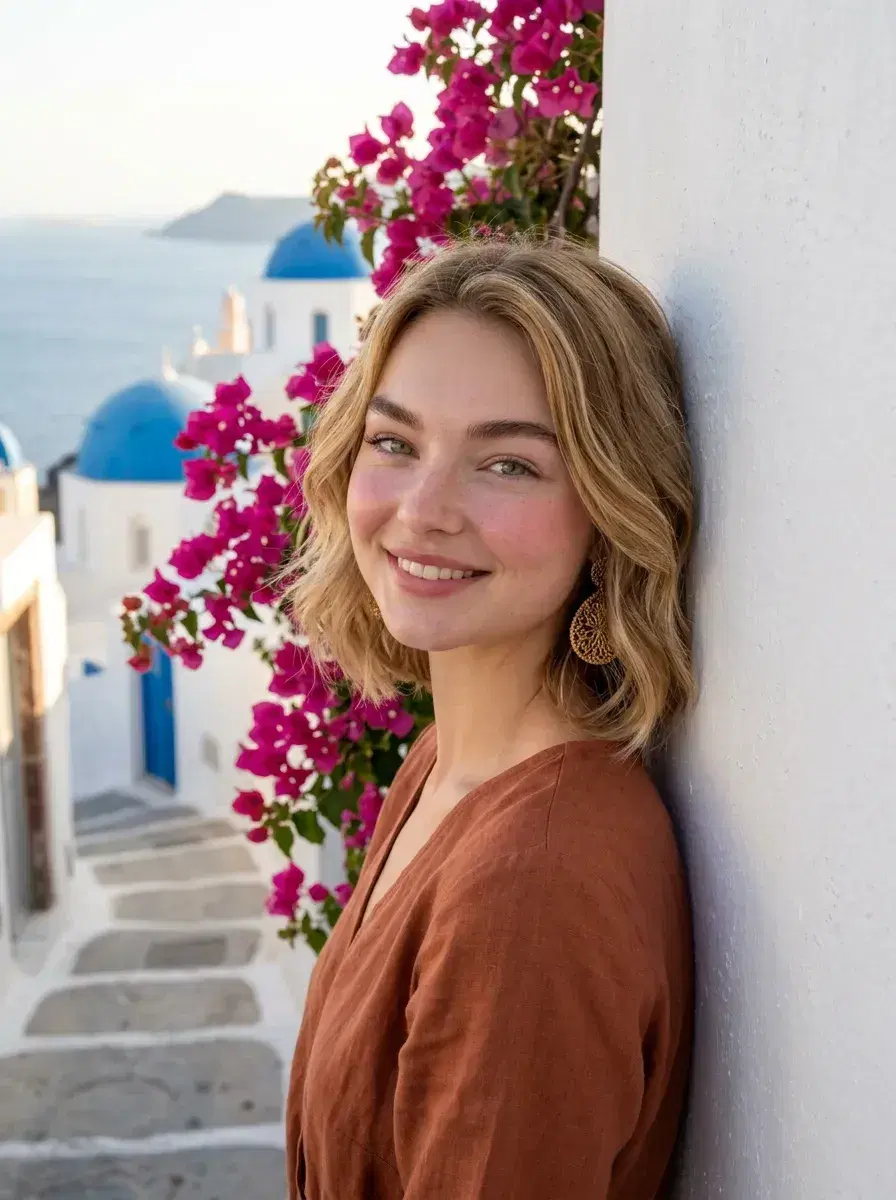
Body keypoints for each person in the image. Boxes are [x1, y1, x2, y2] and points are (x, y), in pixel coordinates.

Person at [285, 231, 696, 1200]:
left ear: (609, 509)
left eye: (506, 465)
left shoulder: (530, 888)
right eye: (394, 444)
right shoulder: (445, 763)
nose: (422, 509)